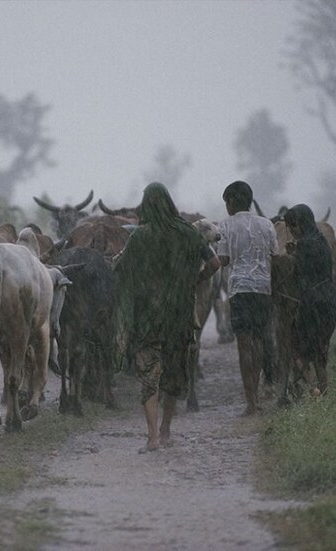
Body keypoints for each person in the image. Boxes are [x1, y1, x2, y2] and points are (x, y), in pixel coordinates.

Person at [114, 182, 220, 453]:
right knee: (173, 373)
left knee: (149, 375)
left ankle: (151, 438)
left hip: (147, 317)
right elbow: (215, 264)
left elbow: (122, 270)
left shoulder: (139, 237)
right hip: (180, 315)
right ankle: (166, 431)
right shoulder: (188, 233)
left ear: (146, 205)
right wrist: (194, 280)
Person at [216, 181, 278, 416]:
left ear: (232, 201)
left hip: (239, 290)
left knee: (244, 346)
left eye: (226, 203)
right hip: (263, 289)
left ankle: (250, 401)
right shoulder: (266, 225)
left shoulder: (226, 226)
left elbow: (223, 260)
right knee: (260, 341)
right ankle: (259, 394)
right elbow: (275, 255)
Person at [282, 204, 336, 395]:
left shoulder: (304, 245)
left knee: (297, 349)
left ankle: (313, 390)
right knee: (320, 351)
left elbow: (299, 275)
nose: (291, 231)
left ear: (302, 224)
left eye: (293, 226)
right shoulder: (321, 241)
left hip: (311, 305)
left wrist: (292, 257)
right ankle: (324, 392)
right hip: (328, 302)